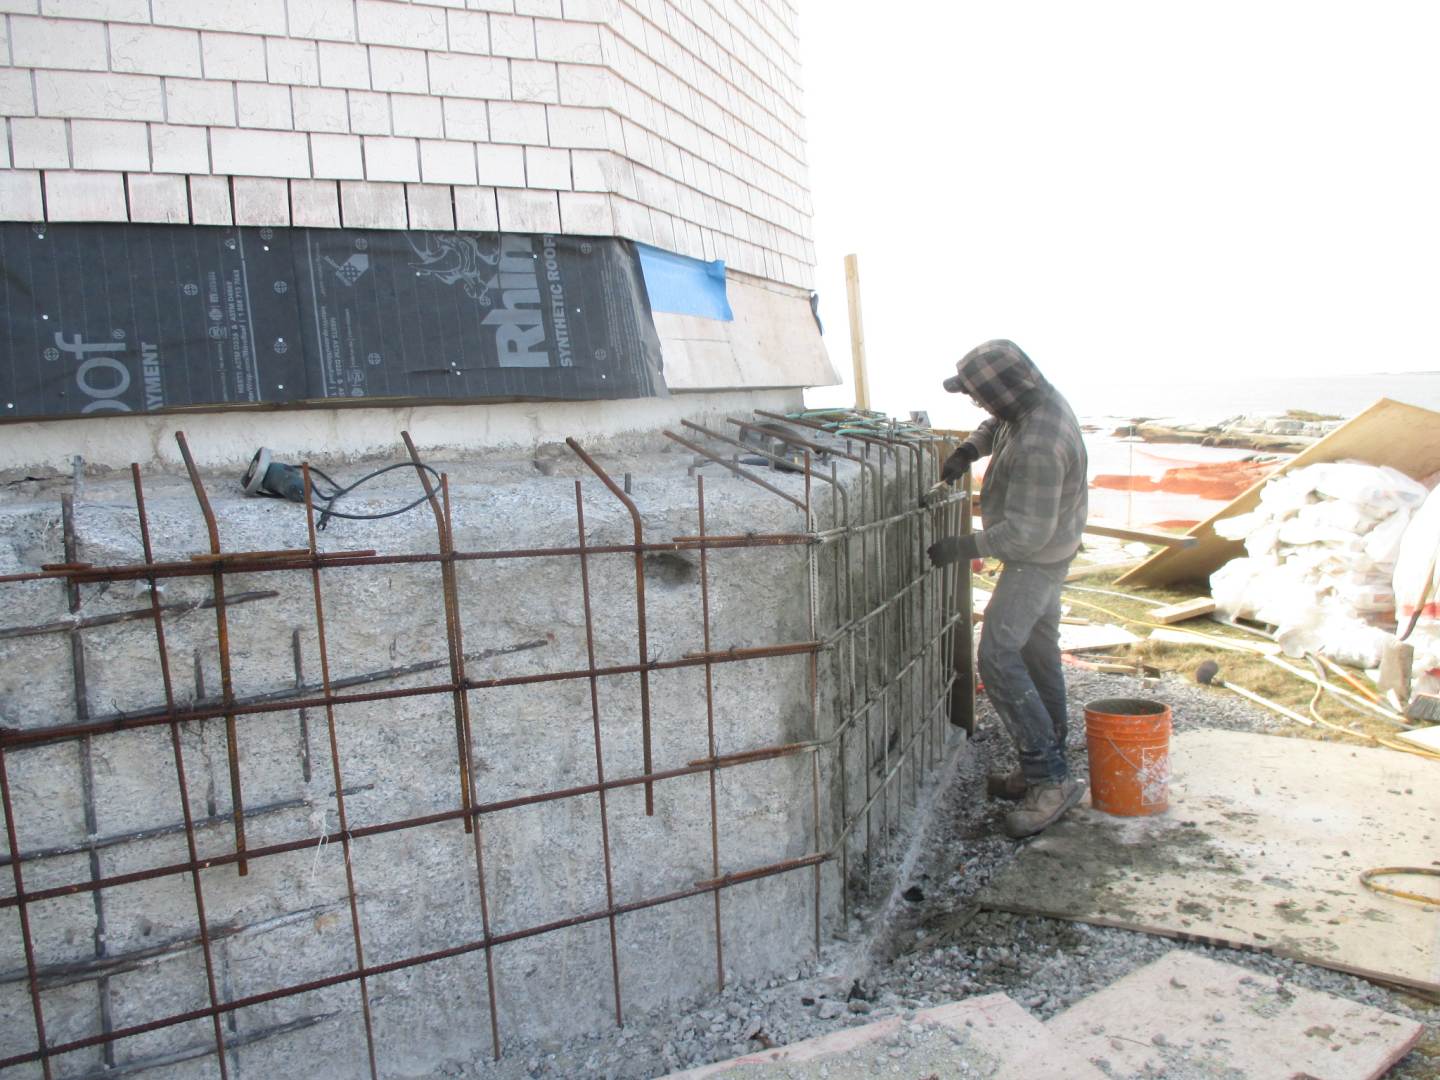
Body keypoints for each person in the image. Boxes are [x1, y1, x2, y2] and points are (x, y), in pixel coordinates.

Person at [927, 340, 1090, 839]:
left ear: (1004, 391)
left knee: (997, 656)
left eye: (980, 396)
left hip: (1035, 562)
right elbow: (998, 424)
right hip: (1050, 553)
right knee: (1038, 655)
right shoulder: (1031, 402)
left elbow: (1026, 534)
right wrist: (968, 451)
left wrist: (960, 546)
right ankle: (1049, 759)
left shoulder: (1042, 442)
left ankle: (1049, 778)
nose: (978, 405)